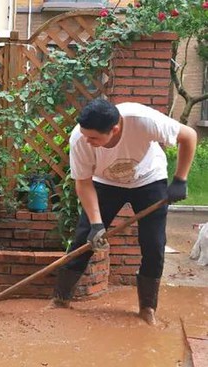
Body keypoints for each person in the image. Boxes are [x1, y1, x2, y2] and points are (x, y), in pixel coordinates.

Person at [51, 98, 197, 325]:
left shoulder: (143, 121)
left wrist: (180, 179)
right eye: (85, 135)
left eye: (94, 138)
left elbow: (189, 136)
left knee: (154, 244)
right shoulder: (80, 138)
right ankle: (60, 298)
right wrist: (97, 225)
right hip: (105, 183)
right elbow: (83, 182)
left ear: (115, 129)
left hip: (149, 180)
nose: (87, 141)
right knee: (83, 239)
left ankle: (147, 308)